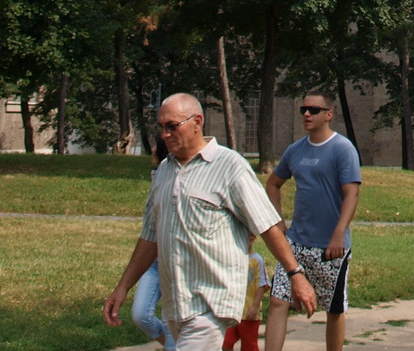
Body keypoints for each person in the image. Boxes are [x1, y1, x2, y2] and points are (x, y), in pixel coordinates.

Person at [105, 94, 316, 351]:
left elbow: (267, 225)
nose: (165, 134)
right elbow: (150, 237)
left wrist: (296, 275)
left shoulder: (229, 166)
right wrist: (123, 287)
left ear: (197, 122)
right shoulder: (164, 171)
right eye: (161, 127)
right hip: (176, 303)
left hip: (212, 301)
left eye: (172, 126)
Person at [264, 91, 362, 351]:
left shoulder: (342, 149)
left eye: (314, 110)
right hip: (296, 242)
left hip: (331, 246)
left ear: (328, 115)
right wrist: (279, 224)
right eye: (304, 109)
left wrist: (338, 234)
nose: (307, 114)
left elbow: (352, 193)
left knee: (333, 308)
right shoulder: (295, 150)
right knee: (278, 301)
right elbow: (273, 184)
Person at [131, 137, 177, 349]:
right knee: (141, 315)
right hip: (154, 260)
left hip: (176, 263)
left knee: (171, 323)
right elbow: (149, 228)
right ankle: (173, 343)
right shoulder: (160, 175)